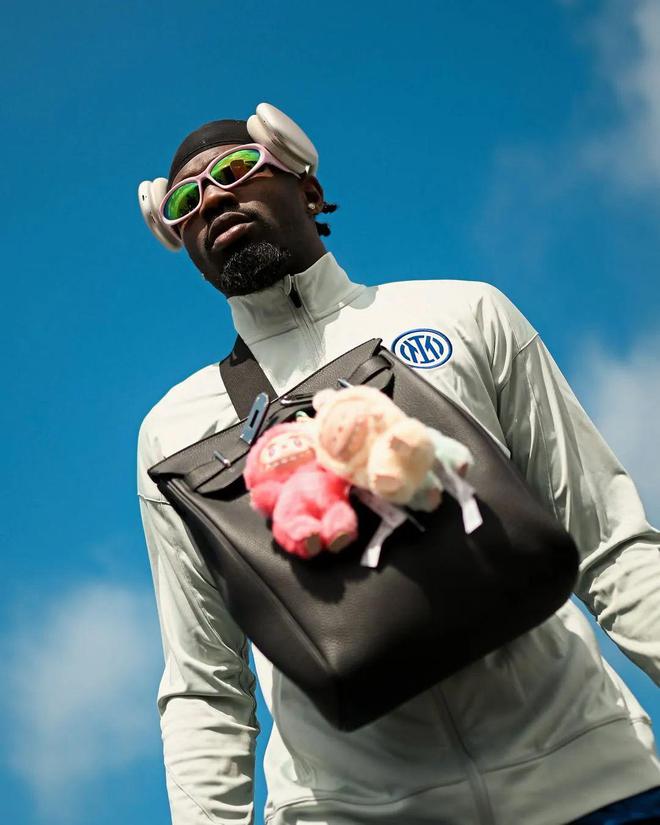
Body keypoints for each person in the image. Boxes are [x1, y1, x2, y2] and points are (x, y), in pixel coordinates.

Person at [137, 109, 660, 825]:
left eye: (235, 170)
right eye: (184, 200)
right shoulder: (175, 432)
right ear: (182, 242)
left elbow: (611, 543)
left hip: (590, 782)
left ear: (309, 188)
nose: (213, 199)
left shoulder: (466, 315)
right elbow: (207, 686)